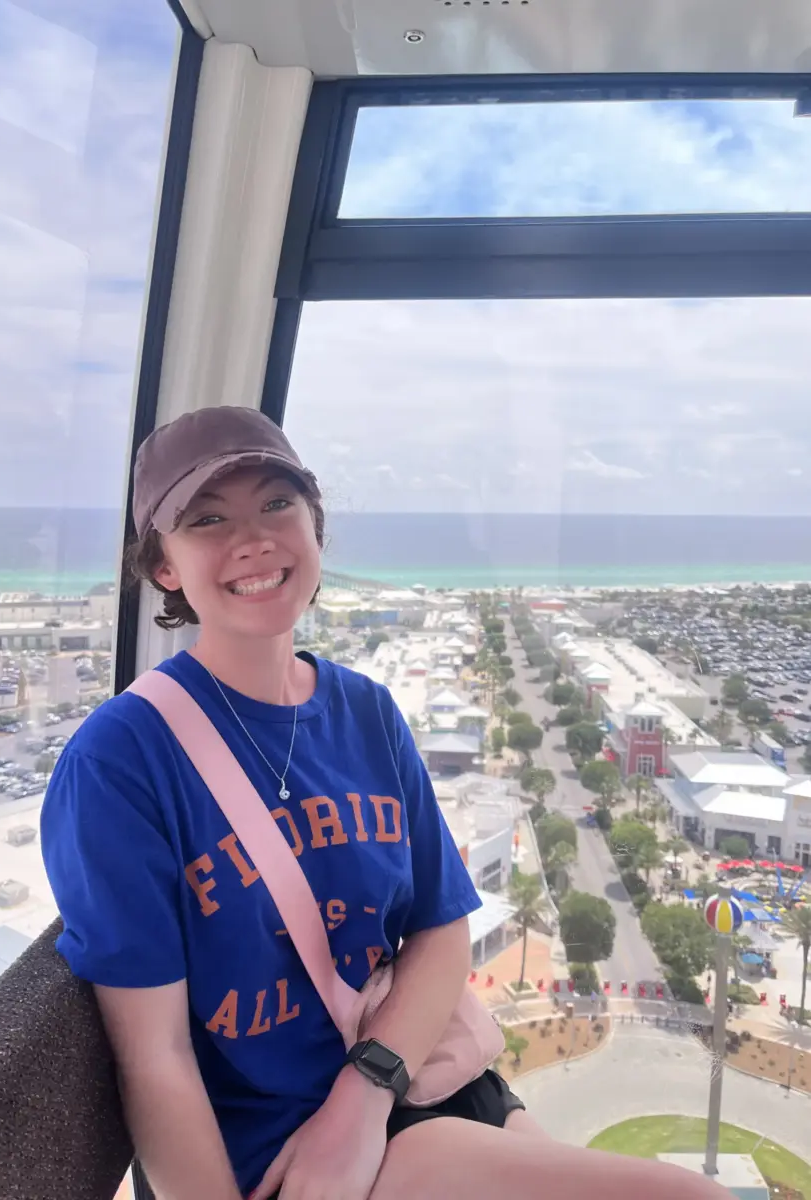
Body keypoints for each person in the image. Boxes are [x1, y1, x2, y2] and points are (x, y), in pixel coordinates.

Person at [41, 406, 727, 1200]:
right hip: (292, 1152)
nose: (253, 538)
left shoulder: (365, 711)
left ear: (314, 524)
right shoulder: (120, 762)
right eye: (208, 519)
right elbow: (153, 1055)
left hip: (415, 1079)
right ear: (164, 565)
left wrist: (364, 1094)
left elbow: (440, 925)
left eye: (276, 503)